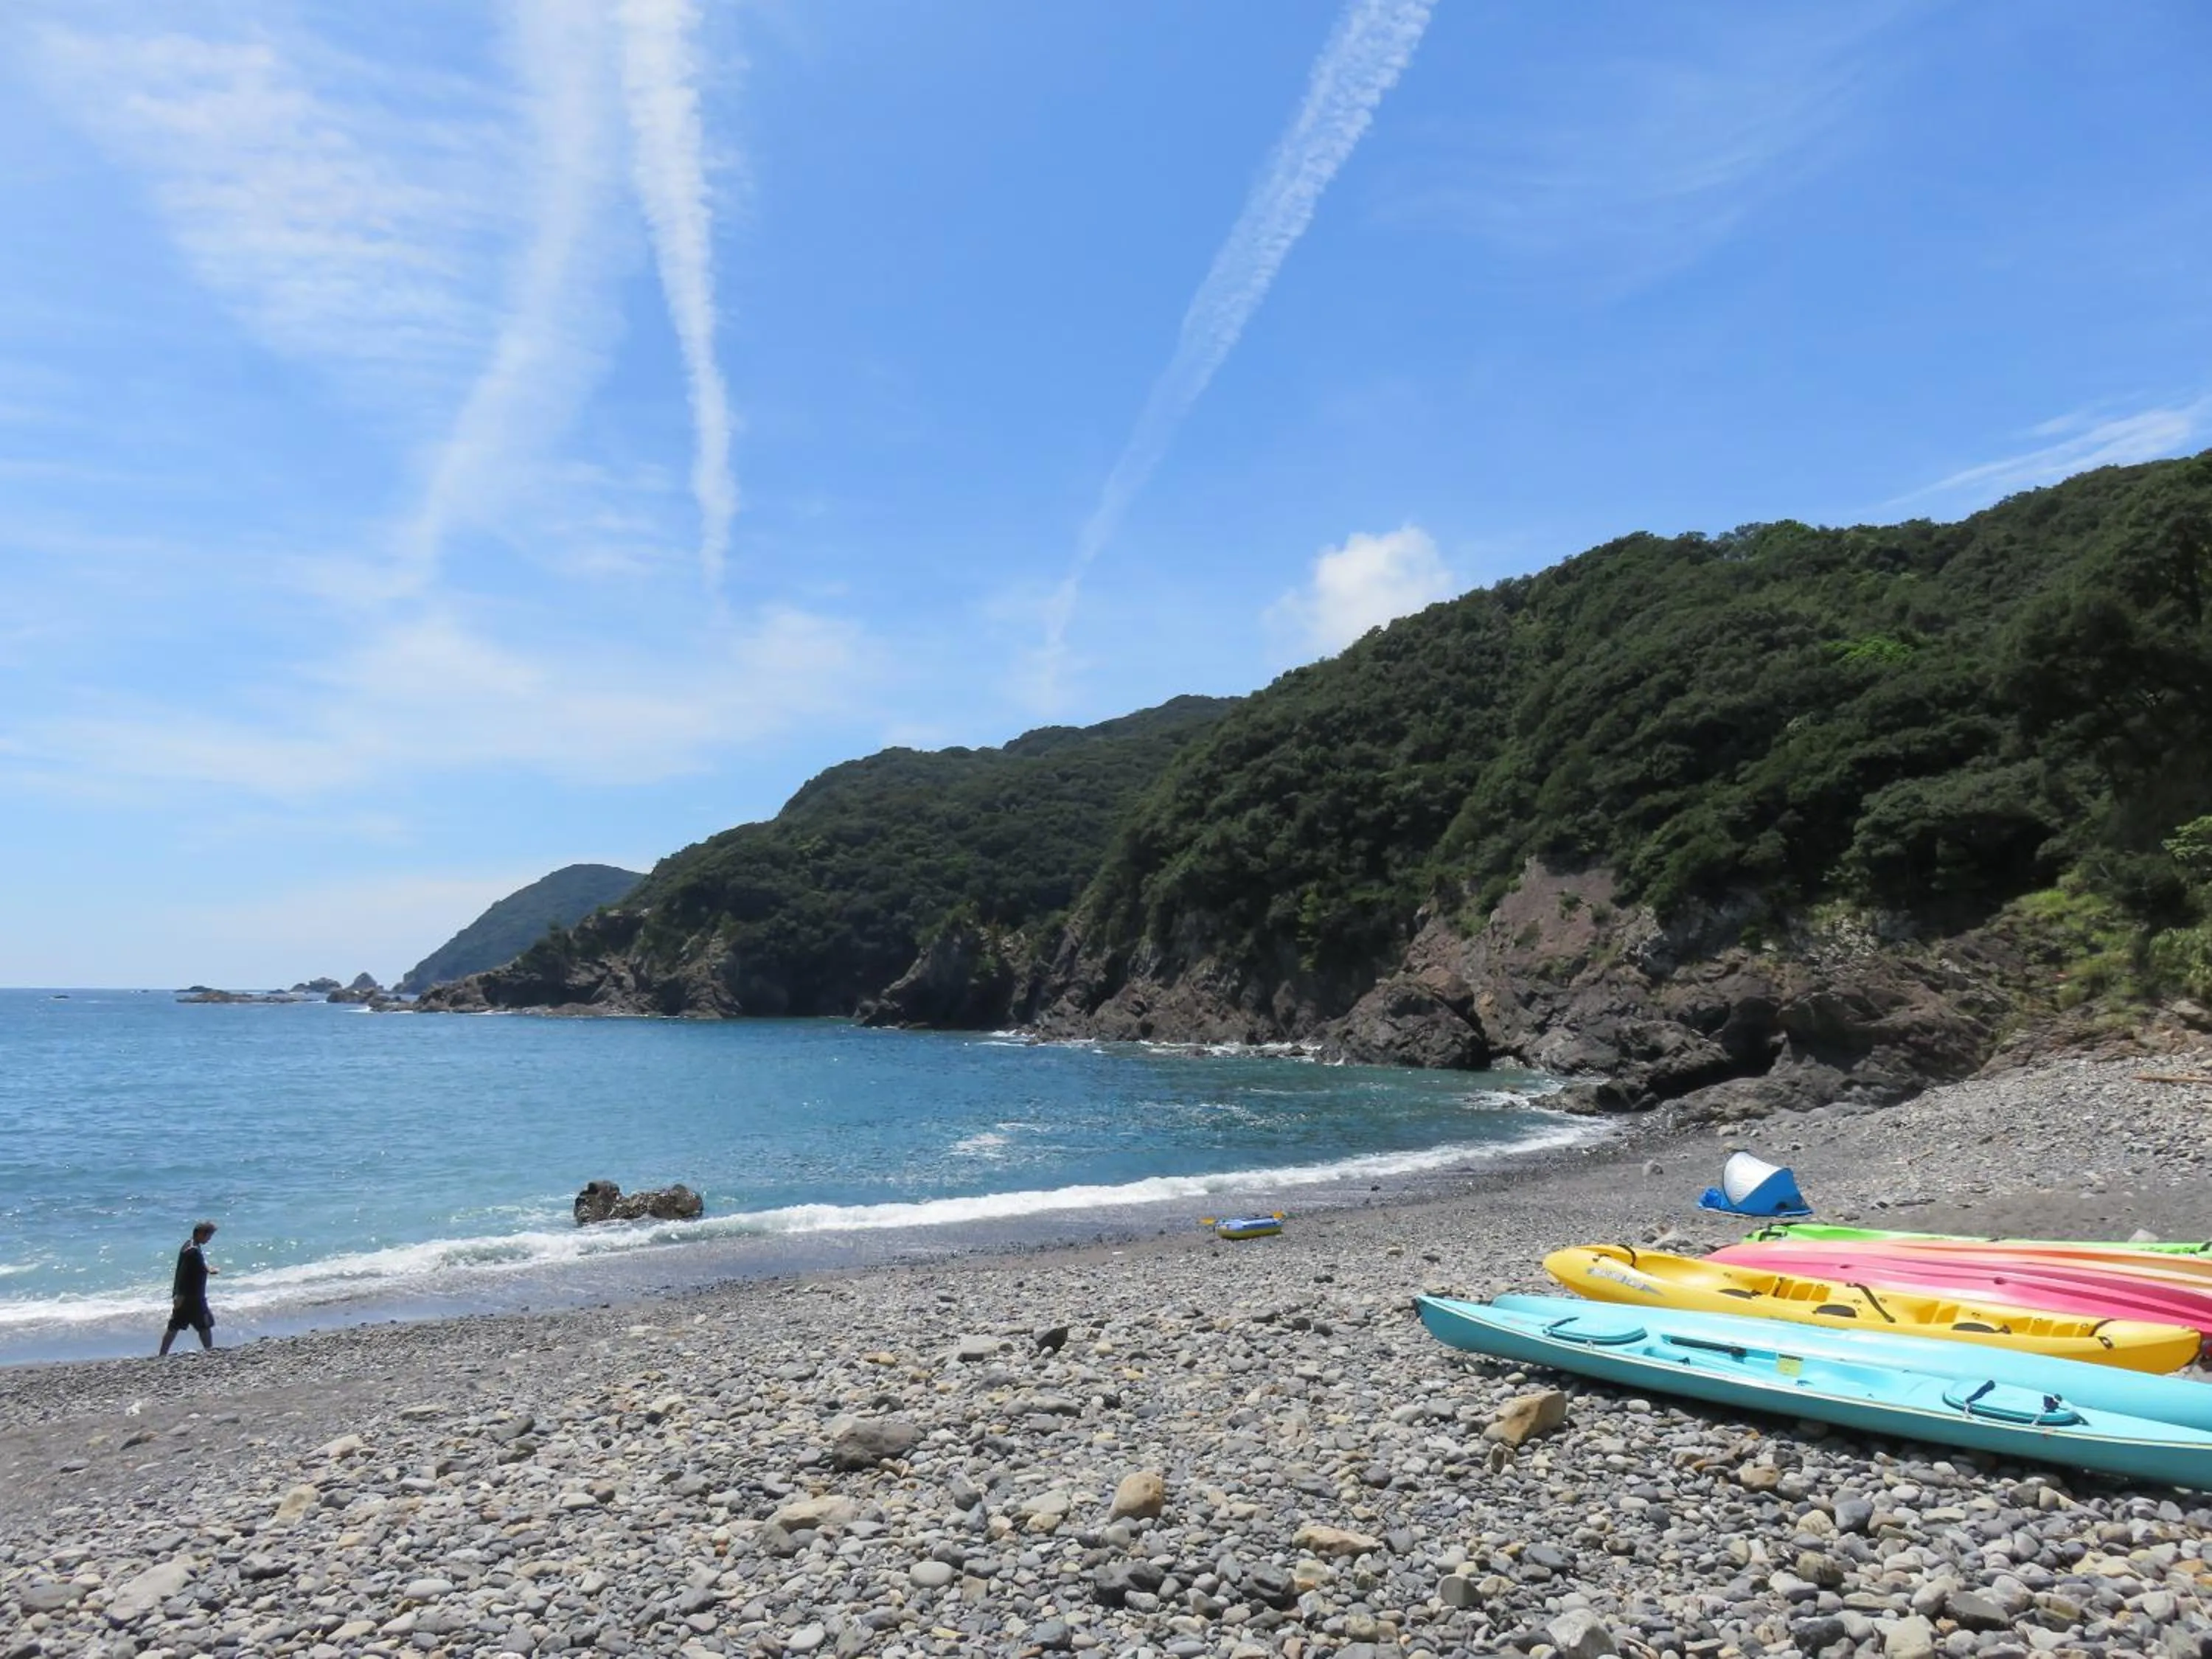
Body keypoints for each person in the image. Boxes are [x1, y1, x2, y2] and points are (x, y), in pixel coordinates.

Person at [158, 1221, 219, 1355]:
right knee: (204, 1325)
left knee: (175, 1326)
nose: (210, 1239)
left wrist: (208, 1269)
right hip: (192, 1297)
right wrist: (179, 1295)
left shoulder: (191, 1245)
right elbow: (182, 1275)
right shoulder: (192, 1251)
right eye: (209, 1236)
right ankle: (210, 1352)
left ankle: (162, 1355)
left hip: (188, 1296)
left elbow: (199, 1264)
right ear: (201, 1234)